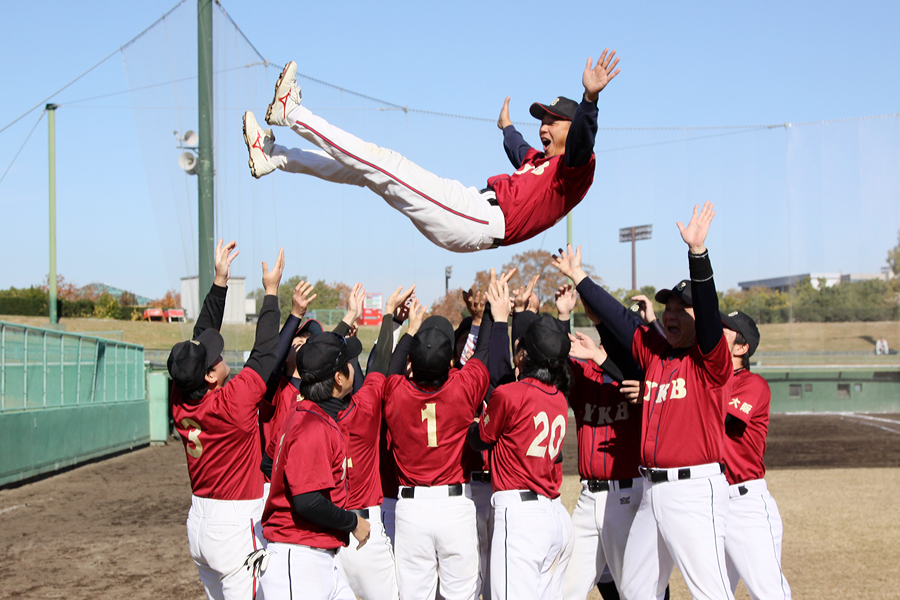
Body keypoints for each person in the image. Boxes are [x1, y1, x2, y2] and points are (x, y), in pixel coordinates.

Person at [241, 52, 620, 253]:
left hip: (478, 220)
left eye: (553, 120)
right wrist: (507, 127)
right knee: (367, 173)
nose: (544, 126)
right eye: (542, 118)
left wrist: (590, 98)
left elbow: (585, 137)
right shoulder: (539, 162)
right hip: (471, 209)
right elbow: (518, 148)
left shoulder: (575, 168)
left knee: (385, 163)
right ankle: (275, 156)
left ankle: (292, 113)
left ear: (573, 128)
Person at [552, 202, 736, 600]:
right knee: (635, 591)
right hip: (650, 491)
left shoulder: (711, 360)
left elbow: (707, 315)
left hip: (694, 488)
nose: (670, 314)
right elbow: (618, 318)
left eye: (679, 309)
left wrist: (698, 255)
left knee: (711, 592)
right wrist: (580, 277)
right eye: (666, 308)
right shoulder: (656, 353)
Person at [167, 240, 284, 600]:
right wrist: (271, 294)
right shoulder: (231, 403)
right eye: (214, 359)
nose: (218, 355)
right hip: (234, 526)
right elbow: (265, 351)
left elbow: (198, 340)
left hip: (199, 523)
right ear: (210, 377)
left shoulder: (179, 400)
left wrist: (220, 282)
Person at [382, 271, 503, 600]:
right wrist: (486, 315)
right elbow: (482, 357)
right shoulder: (462, 387)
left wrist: (407, 332)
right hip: (454, 507)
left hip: (410, 509)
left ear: (411, 360)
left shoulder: (395, 391)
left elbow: (389, 370)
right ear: (451, 360)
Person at [468, 274, 574, 600]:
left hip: (521, 516)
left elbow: (480, 438)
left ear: (522, 357)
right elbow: (515, 366)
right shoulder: (558, 396)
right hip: (555, 514)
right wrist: (521, 315)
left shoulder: (512, 394)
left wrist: (501, 320)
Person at [259, 326, 377, 600]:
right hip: (297, 561)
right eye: (348, 363)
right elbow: (307, 501)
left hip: (314, 559)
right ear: (338, 378)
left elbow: (269, 464)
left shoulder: (300, 413)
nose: (352, 366)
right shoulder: (313, 425)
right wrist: (353, 523)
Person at [333, 286, 417, 600]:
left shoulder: (302, 413)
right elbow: (380, 369)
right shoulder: (363, 411)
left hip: (323, 533)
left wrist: (349, 321)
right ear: (340, 378)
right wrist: (389, 321)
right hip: (365, 531)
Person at [719, 310, 792, 599]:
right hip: (710, 500)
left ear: (742, 347)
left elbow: (726, 420)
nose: (716, 330)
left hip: (743, 503)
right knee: (712, 592)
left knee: (768, 592)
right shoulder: (705, 381)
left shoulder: (752, 383)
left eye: (725, 329)